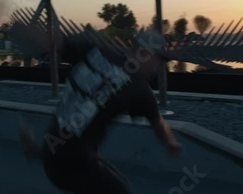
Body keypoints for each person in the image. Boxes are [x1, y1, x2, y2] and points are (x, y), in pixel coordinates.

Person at [18, 29, 182, 194]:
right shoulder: (139, 89)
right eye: (158, 61)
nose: (158, 68)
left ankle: (36, 152)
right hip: (74, 167)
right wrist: (170, 143)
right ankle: (38, 153)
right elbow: (158, 123)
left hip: (51, 149)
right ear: (144, 53)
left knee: (108, 175)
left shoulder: (98, 50)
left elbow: (57, 42)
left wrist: (25, 33)